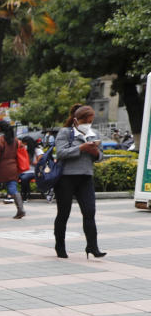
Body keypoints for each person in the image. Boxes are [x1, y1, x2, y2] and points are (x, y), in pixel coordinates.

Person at [54, 104, 105, 259]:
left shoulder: (93, 133)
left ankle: (92, 247)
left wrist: (95, 152)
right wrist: (81, 148)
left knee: (90, 212)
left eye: (90, 121)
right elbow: (61, 153)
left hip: (86, 177)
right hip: (66, 178)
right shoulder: (65, 132)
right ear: (76, 120)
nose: (88, 124)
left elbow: (101, 157)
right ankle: (60, 246)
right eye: (85, 121)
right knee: (64, 213)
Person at [18, 136, 44, 201]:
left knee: (24, 178)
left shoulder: (37, 150)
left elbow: (41, 163)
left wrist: (31, 162)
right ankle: (24, 194)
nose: (23, 145)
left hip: (33, 171)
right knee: (12, 177)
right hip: (24, 170)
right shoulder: (24, 150)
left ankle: (24, 195)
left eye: (25, 144)